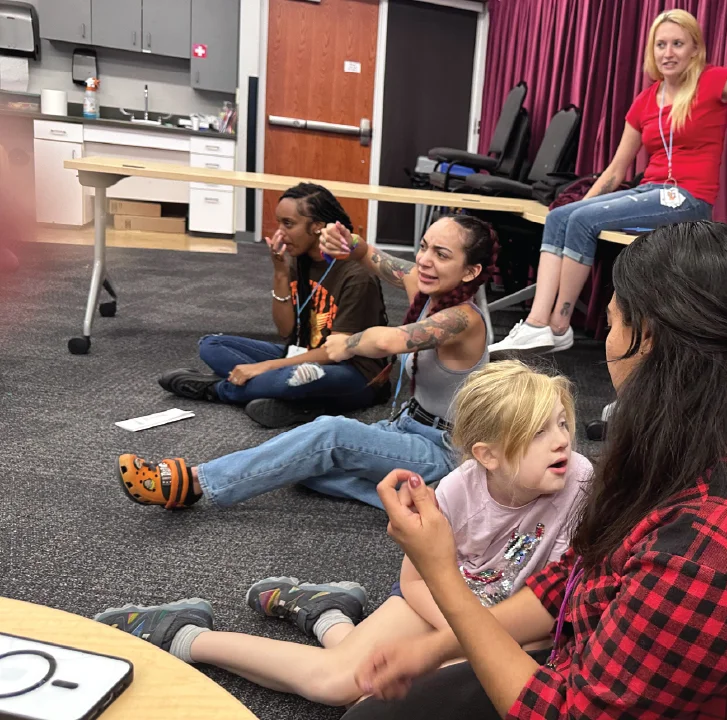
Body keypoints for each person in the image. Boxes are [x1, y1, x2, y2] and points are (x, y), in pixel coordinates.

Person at [344, 221, 727, 720]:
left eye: (613, 322)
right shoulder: (712, 450)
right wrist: (440, 646)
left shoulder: (711, 546)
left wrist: (440, 572)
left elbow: (569, 713)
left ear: (648, 337)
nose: (608, 344)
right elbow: (576, 577)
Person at [95, 361, 592, 708]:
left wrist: (465, 638)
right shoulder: (458, 488)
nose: (562, 441)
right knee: (338, 683)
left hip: (509, 622)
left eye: (562, 423)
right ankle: (184, 634)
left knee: (369, 692)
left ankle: (326, 613)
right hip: (437, 601)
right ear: (487, 455)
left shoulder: (581, 483)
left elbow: (558, 602)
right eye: (539, 432)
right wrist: (461, 632)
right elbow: (415, 582)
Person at [488, 8, 727, 358]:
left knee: (582, 220)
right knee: (562, 217)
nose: (668, 52)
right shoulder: (645, 100)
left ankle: (557, 325)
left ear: (694, 49)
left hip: (686, 197)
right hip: (648, 191)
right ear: (652, 51)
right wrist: (580, 203)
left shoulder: (713, 80)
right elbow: (616, 171)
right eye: (661, 45)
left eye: (677, 44)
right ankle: (537, 324)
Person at [114, 214, 498, 510]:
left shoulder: (464, 320)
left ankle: (194, 482)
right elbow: (370, 256)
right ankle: (419, 499)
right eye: (424, 247)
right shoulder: (426, 286)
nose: (424, 261)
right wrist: (347, 241)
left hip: (444, 449)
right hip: (406, 427)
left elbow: (391, 340)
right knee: (304, 467)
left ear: (471, 271)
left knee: (327, 436)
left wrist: (348, 343)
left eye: (441, 254)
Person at [158, 183, 391, 429]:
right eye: (279, 223)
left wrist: (263, 367)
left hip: (353, 372)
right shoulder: (300, 261)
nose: (280, 233)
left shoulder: (356, 276)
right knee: (211, 345)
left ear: (317, 227)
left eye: (288, 224)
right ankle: (291, 402)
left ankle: (218, 389)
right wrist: (280, 273)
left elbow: (336, 352)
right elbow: (286, 331)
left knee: (294, 377)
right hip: (303, 355)